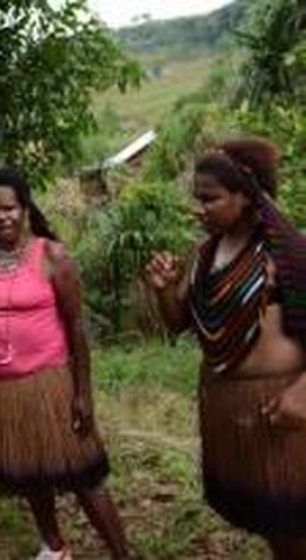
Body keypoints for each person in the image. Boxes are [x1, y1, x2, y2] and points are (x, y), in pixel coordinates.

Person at [0, 168, 131, 560]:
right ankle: (55, 547)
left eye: (9, 208)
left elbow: (76, 328)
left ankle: (122, 555)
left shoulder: (52, 255)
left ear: (25, 208)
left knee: (82, 473)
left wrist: (83, 394)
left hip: (49, 383)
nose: (0, 216)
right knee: (28, 471)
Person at [145, 137, 306, 559]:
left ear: (246, 196)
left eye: (210, 199)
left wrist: (302, 392)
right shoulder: (205, 254)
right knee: (270, 518)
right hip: (231, 411)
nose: (198, 209)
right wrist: (164, 291)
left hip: (280, 409)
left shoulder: (286, 254)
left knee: (294, 523)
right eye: (197, 198)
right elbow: (179, 322)